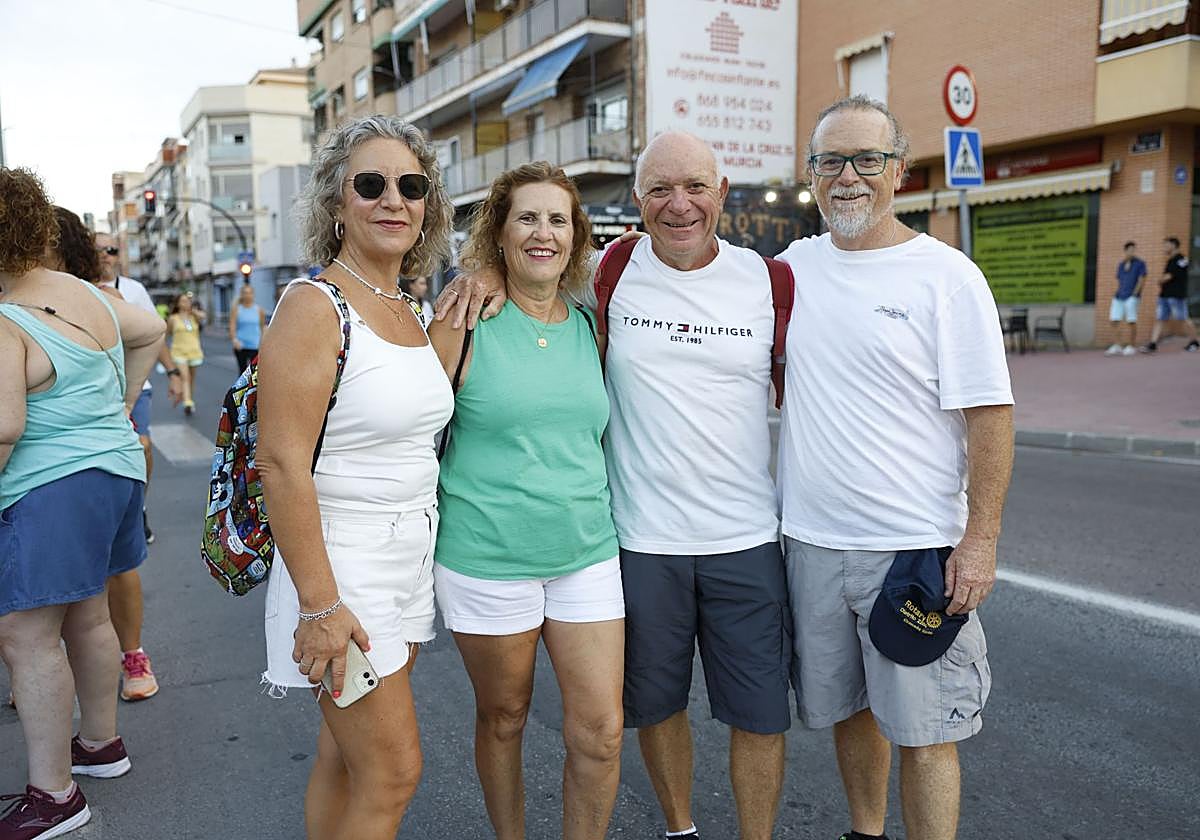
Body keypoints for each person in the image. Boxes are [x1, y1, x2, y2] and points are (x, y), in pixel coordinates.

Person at [436, 135, 793, 840]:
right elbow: (414, 425)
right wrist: (481, 272)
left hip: (734, 539)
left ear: (722, 193)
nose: (679, 204)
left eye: (695, 187)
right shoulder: (613, 275)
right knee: (638, 708)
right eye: (660, 189)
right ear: (637, 201)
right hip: (634, 539)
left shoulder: (769, 279)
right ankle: (680, 830)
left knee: (745, 715)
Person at [775, 95, 1014, 840]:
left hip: (912, 552)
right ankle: (865, 832)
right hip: (811, 544)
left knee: (926, 732)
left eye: (867, 159)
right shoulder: (788, 271)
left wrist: (980, 540)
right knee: (850, 713)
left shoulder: (946, 276)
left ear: (899, 171)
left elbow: (990, 417)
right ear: (811, 174)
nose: (847, 176)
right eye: (831, 161)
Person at [255, 114, 454, 840]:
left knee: (343, 758)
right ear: (337, 203)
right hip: (344, 564)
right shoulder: (314, 306)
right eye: (370, 184)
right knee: (392, 773)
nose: (393, 199)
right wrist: (320, 604)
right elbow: (280, 461)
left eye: (411, 186)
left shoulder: (409, 307)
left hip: (407, 556)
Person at [427, 161, 625, 840]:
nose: (544, 232)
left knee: (602, 730)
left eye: (558, 220)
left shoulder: (591, 325)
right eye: (528, 218)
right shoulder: (462, 319)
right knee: (504, 717)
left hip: (587, 553)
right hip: (486, 559)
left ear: (576, 236)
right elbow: (405, 433)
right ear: (500, 233)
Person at [0, 167, 166, 838]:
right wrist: (119, 406)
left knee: (25, 635)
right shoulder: (81, 291)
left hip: (51, 486)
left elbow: (4, 427)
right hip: (115, 473)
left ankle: (55, 796)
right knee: (90, 617)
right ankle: (99, 745)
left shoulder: (6, 317)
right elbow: (150, 330)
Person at [95, 230, 179, 702]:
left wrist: (171, 375)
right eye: (98, 250)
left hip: (130, 396)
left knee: (143, 446)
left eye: (112, 250)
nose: (106, 257)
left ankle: (132, 654)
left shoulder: (129, 292)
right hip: (73, 433)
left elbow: (152, 331)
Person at [1142, 236, 1199, 353]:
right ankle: (1152, 344)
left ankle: (1194, 341)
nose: (1164, 247)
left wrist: (1161, 280)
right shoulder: (1170, 260)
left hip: (1176, 295)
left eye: (1166, 245)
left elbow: (1169, 275)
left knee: (1183, 318)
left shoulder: (1182, 260)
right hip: (1164, 295)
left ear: (1173, 245)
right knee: (1160, 319)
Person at [166, 292, 204, 414]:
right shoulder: (173, 318)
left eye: (187, 301)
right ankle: (187, 402)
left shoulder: (194, 316)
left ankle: (189, 398)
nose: (186, 303)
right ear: (178, 304)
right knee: (185, 376)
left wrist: (194, 311)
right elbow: (167, 333)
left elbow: (203, 317)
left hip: (194, 351)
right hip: (178, 352)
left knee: (191, 378)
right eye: (183, 301)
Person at [1106, 241, 1145, 356]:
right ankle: (1117, 345)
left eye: (1134, 250)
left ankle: (1131, 346)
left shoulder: (1140, 263)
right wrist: (1117, 292)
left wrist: (1134, 294)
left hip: (1131, 297)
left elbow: (1142, 279)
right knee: (1114, 320)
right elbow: (1120, 280)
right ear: (1125, 251)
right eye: (1130, 250)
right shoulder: (1121, 264)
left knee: (1131, 321)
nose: (1132, 252)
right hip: (1119, 296)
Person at [229, 282, 266, 371]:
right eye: (245, 293)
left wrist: (263, 343)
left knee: (254, 373)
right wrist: (234, 340)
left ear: (253, 295)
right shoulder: (237, 309)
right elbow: (232, 326)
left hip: (255, 346)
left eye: (249, 293)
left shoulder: (259, 310)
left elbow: (262, 327)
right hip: (241, 346)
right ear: (242, 295)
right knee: (243, 372)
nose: (247, 295)